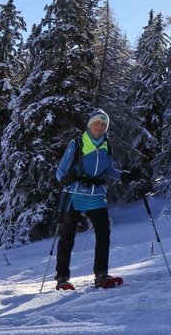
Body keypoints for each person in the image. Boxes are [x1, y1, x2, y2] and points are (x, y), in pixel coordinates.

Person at [54, 109, 142, 290]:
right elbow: (60, 171)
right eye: (97, 123)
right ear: (90, 124)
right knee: (67, 237)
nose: (100, 126)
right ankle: (62, 278)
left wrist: (126, 176)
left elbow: (109, 170)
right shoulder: (77, 143)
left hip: (97, 195)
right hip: (75, 194)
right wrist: (65, 179)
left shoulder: (106, 144)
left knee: (103, 234)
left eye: (104, 124)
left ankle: (101, 275)